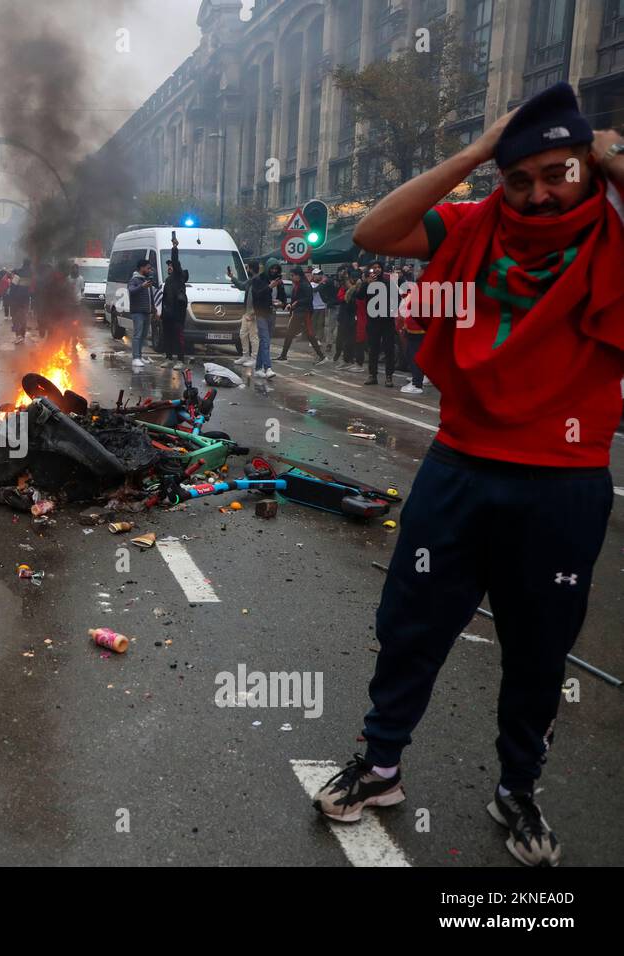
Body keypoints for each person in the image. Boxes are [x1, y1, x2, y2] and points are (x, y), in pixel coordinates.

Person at [313, 84, 624, 867]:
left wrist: (611, 159)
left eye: (559, 173)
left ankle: (519, 787)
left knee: (539, 646)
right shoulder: (471, 224)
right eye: (522, 180)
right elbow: (372, 233)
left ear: (586, 167)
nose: (541, 194)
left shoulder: (614, 229)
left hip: (565, 477)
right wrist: (479, 153)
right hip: (460, 463)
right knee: (412, 622)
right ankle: (380, 766)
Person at [278, 266, 326, 363]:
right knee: (292, 333)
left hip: (304, 312)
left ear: (298, 275)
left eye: (292, 275)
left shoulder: (305, 285)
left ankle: (322, 356)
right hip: (298, 312)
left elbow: (308, 298)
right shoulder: (298, 284)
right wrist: (291, 305)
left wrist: (297, 302)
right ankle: (283, 355)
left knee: (308, 334)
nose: (291, 277)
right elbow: (295, 298)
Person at [359, 260, 396, 386]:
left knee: (389, 349)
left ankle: (389, 377)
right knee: (373, 349)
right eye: (374, 267)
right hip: (373, 321)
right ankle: (372, 375)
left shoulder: (388, 283)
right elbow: (359, 297)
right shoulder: (367, 283)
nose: (377, 269)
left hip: (387, 321)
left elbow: (397, 298)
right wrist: (366, 283)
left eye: (379, 267)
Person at [158, 233, 189, 369]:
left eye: (171, 265)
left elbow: (176, 262)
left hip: (178, 314)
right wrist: (161, 312)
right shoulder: (168, 280)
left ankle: (180, 360)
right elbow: (164, 297)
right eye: (168, 266)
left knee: (178, 337)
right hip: (168, 313)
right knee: (168, 336)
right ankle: (169, 357)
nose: (169, 267)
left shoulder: (179, 276)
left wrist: (174, 247)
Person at [228, 261, 260, 368]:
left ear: (251, 269)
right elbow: (242, 286)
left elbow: (260, 299)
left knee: (253, 336)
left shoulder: (258, 281)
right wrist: (232, 277)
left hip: (254, 314)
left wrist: (254, 313)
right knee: (243, 334)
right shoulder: (250, 281)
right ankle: (245, 355)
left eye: (247, 268)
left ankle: (254, 358)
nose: (246, 270)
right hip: (246, 312)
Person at [127, 258, 157, 369]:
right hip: (138, 311)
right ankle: (135, 358)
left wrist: (153, 308)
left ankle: (140, 356)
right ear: (142, 268)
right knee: (137, 335)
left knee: (144, 336)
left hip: (146, 311)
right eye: (148, 268)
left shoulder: (146, 279)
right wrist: (142, 286)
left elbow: (150, 295)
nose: (150, 270)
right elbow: (131, 291)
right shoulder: (134, 279)